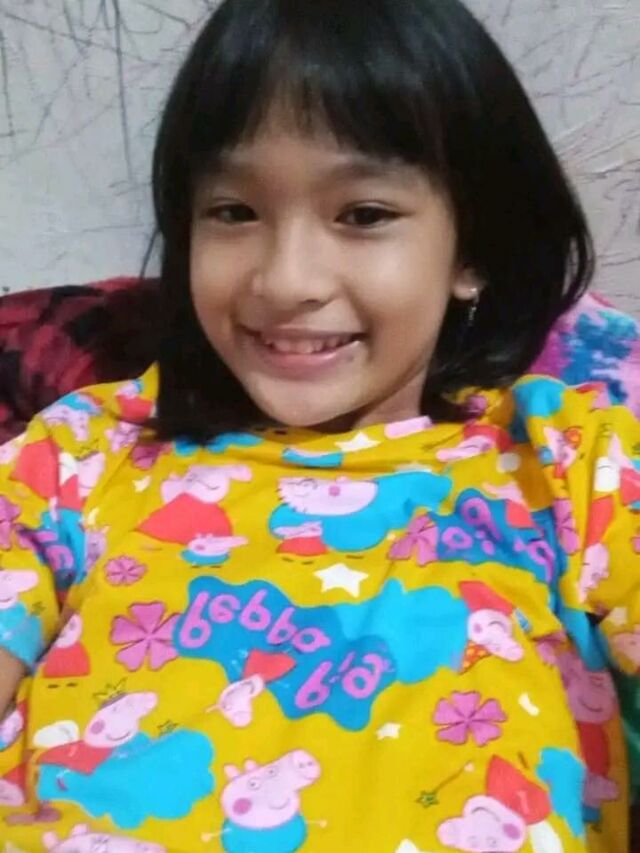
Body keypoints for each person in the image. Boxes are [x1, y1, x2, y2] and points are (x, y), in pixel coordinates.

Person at [0, 0, 638, 850]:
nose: (285, 279)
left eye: (363, 214)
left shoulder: (570, 460)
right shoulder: (83, 450)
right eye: (234, 211)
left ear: (473, 249)